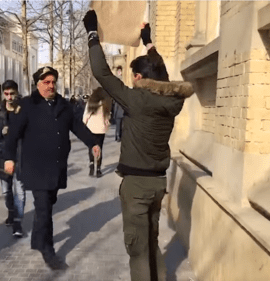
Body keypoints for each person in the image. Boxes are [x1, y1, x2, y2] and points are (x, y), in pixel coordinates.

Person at [83, 11, 194, 281]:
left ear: (138, 77)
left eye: (133, 76)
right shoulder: (172, 101)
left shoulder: (137, 100)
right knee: (151, 241)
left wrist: (92, 35)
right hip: (157, 183)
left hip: (137, 186)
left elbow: (102, 73)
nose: (131, 80)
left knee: (138, 250)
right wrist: (148, 41)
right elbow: (163, 77)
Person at [3, 66, 101, 270]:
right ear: (37, 84)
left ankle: (37, 240)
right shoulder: (27, 105)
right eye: (46, 82)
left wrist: (93, 143)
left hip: (56, 167)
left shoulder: (63, 105)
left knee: (48, 203)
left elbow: (77, 126)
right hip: (36, 168)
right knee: (44, 209)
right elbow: (13, 134)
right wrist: (9, 159)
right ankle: (48, 250)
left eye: (53, 82)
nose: (50, 86)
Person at [0, 80, 25, 238]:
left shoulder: (23, 109)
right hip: (2, 155)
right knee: (6, 191)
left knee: (21, 192)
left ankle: (17, 222)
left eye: (12, 93)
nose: (9, 97)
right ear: (3, 94)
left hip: (21, 155)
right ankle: (11, 211)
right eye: (6, 94)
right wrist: (1, 131)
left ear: (16, 93)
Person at [82, 87, 112, 177]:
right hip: (101, 129)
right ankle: (98, 168)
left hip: (91, 128)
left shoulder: (91, 103)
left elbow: (86, 115)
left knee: (91, 147)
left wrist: (84, 123)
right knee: (99, 148)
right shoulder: (105, 104)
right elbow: (107, 117)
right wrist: (107, 125)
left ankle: (91, 165)